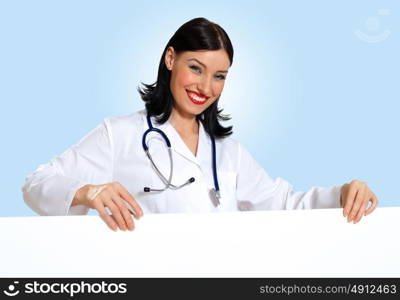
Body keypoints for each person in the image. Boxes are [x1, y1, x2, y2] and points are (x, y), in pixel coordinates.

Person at [22, 17, 378, 232]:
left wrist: (343, 193)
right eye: (196, 67)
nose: (205, 88)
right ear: (170, 58)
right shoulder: (120, 135)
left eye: (219, 75)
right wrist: (88, 191)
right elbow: (37, 184)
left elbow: (283, 204)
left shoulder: (226, 151)